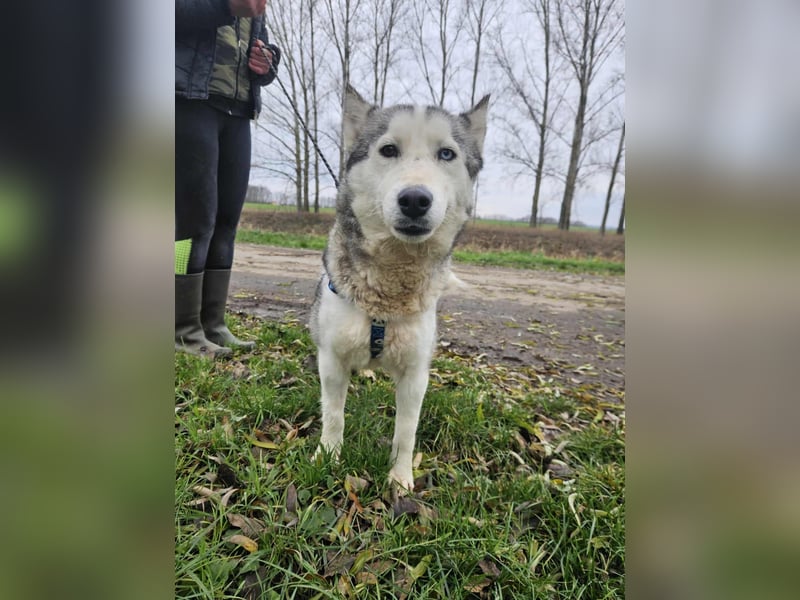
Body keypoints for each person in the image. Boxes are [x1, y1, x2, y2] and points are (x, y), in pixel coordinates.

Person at [175, 0, 281, 357]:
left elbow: (261, 52)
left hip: (238, 110)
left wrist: (266, 64)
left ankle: (213, 325)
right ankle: (181, 329)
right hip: (190, 103)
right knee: (192, 224)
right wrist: (227, 6)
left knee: (226, 222)